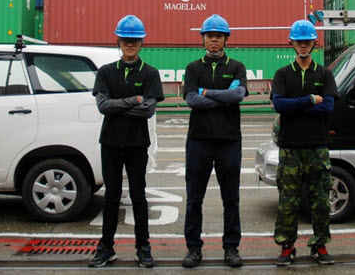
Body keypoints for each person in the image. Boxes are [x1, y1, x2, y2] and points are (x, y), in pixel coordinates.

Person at [88, 15, 164, 268]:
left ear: (142, 43)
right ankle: (105, 248)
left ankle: (143, 248)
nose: (130, 44)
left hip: (137, 143)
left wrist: (118, 106)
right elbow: (103, 106)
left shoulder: (150, 73)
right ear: (118, 41)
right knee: (111, 196)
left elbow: (148, 110)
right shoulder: (106, 72)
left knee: (138, 196)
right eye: (125, 40)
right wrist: (134, 100)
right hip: (110, 143)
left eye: (134, 40)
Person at [181, 14, 247, 268]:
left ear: (226, 39)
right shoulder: (193, 68)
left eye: (219, 36)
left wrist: (205, 92)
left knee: (231, 199)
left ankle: (231, 248)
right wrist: (223, 97)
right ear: (203, 39)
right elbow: (191, 100)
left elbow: (238, 95)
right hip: (198, 141)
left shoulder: (237, 67)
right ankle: (193, 249)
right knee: (194, 199)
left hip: (229, 141)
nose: (214, 40)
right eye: (210, 36)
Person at [270, 20, 338, 266]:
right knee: (288, 200)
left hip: (318, 147)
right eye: (299, 41)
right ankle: (287, 247)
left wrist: (295, 106)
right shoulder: (282, 74)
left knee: (320, 200)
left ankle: (320, 246)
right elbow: (279, 105)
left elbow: (328, 107)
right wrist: (309, 100)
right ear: (291, 42)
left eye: (307, 41)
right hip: (290, 148)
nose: (303, 45)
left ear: (314, 43)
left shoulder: (324, 73)